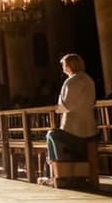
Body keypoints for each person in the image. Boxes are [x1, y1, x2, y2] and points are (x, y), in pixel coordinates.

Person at [38, 53, 97, 185]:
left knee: (51, 135)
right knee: (55, 136)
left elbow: (66, 104)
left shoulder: (73, 81)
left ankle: (59, 175)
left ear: (69, 65)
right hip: (89, 129)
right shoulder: (88, 79)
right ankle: (69, 175)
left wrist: (57, 109)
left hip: (75, 131)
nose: (63, 68)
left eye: (64, 65)